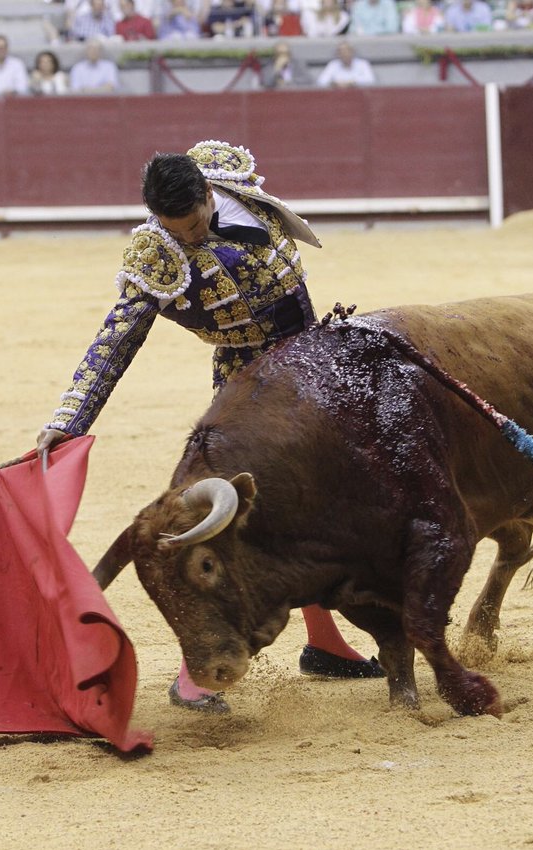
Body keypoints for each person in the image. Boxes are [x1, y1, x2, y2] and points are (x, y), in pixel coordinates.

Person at [35, 141, 383, 712]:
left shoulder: (223, 171)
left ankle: (324, 644)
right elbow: (116, 338)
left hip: (312, 360)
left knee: (313, 502)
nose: (190, 237)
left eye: (196, 223)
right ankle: (193, 673)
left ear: (207, 194)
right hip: (249, 383)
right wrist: (70, 419)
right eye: (178, 229)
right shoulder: (156, 253)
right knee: (242, 515)